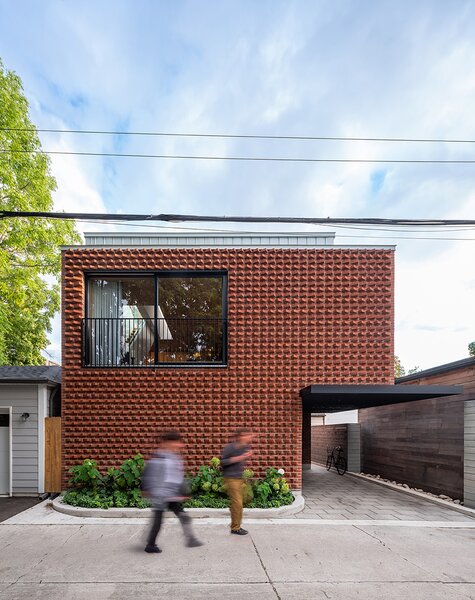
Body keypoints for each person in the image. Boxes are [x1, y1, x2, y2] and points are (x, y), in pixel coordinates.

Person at [142, 430, 202, 553]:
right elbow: (148, 473)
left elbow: (178, 476)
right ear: (168, 443)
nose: (179, 445)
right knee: (158, 521)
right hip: (160, 494)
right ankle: (150, 545)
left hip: (171, 494)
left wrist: (184, 492)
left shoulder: (175, 458)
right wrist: (145, 488)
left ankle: (190, 539)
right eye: (176, 442)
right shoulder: (158, 456)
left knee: (184, 516)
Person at [220, 428, 254, 535]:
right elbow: (222, 462)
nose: (248, 437)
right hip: (231, 478)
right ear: (239, 437)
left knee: (246, 499)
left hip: (240, 478)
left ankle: (233, 512)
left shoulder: (244, 447)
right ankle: (235, 528)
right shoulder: (230, 447)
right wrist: (240, 457)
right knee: (238, 504)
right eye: (246, 435)